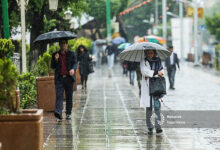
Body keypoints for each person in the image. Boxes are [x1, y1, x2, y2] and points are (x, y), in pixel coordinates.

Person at [51, 39, 77, 120]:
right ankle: (58, 112)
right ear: (59, 45)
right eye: (61, 43)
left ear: (67, 44)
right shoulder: (55, 54)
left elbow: (75, 63)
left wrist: (73, 69)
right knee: (59, 96)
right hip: (59, 79)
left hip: (69, 78)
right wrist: (56, 59)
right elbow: (52, 66)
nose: (63, 45)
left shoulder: (72, 54)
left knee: (69, 97)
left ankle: (68, 113)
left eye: (64, 43)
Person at [140, 50, 164, 136]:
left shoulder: (158, 61)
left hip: (156, 86)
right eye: (148, 53)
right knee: (149, 108)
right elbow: (144, 72)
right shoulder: (144, 61)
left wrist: (155, 73)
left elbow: (162, 72)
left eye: (151, 53)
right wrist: (156, 73)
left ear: (154, 53)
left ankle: (158, 127)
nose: (150, 54)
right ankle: (150, 127)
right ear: (146, 53)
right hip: (147, 87)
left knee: (157, 107)